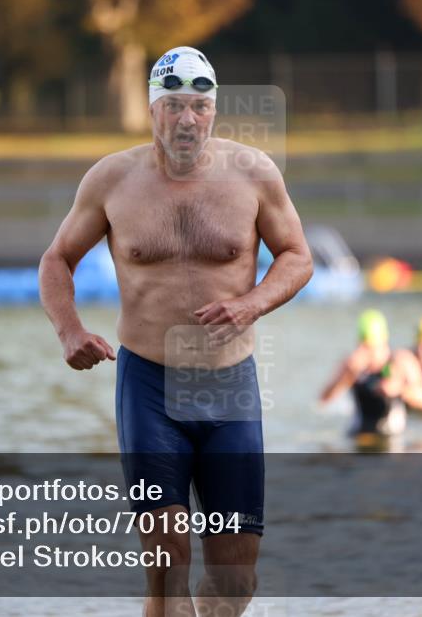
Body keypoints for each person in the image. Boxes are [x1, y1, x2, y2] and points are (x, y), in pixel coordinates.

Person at [39, 46, 313, 617]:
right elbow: (56, 259)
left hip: (229, 388)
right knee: (167, 570)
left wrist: (251, 304)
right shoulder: (112, 179)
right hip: (149, 390)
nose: (187, 120)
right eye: (173, 106)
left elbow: (297, 257)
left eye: (199, 106)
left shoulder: (255, 174)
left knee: (235, 581)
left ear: (213, 111)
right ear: (152, 109)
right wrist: (69, 332)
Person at [318, 310, 422, 443]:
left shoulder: (401, 361)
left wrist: (400, 389)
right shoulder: (352, 363)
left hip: (392, 436)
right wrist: (347, 376)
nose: (368, 353)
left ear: (383, 343)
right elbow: (324, 400)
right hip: (359, 433)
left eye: (371, 348)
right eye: (364, 347)